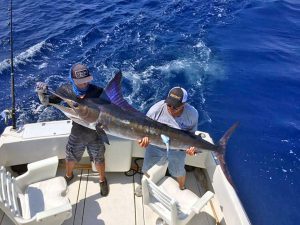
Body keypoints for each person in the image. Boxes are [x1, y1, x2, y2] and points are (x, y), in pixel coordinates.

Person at [36, 63, 109, 196]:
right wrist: (41, 93)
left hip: (96, 133)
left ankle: (102, 180)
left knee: (99, 159)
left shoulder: (98, 91)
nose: (84, 84)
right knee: (70, 157)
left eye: (86, 81)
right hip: (77, 133)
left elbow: (110, 110)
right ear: (72, 79)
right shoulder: (65, 91)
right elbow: (47, 103)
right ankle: (69, 176)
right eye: (80, 82)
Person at [136, 87, 198, 196]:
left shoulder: (192, 114)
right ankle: (144, 185)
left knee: (178, 170)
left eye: (175, 107)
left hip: (177, 148)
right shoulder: (156, 110)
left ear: (184, 104)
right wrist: (143, 141)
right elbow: (143, 131)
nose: (171, 108)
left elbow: (191, 136)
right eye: (169, 104)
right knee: (147, 168)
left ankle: (182, 187)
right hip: (155, 145)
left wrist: (192, 150)